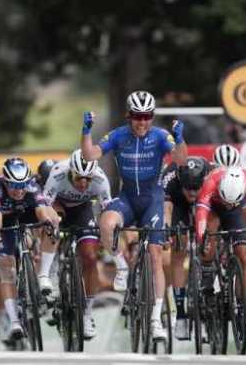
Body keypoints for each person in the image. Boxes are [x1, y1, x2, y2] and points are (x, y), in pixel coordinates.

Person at [80, 90, 187, 340]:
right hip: (127, 198)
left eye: (147, 116)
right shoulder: (118, 135)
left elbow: (181, 161)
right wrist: (86, 131)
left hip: (153, 199)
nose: (142, 122)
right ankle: (122, 268)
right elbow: (90, 156)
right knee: (105, 223)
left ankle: (156, 318)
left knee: (155, 255)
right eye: (137, 116)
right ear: (129, 116)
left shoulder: (161, 136)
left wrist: (180, 139)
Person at [0, 156, 60, 340]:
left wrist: (48, 224)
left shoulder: (33, 186)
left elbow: (42, 212)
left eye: (22, 185)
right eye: (14, 186)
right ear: (5, 181)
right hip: (5, 220)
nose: (19, 190)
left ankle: (43, 275)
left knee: (52, 221)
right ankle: (14, 322)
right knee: (6, 268)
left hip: (28, 214)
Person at [42, 149, 112, 339]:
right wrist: (51, 222)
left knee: (89, 257)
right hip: (58, 206)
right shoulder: (57, 172)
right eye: (78, 178)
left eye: (87, 179)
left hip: (83, 210)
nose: (83, 183)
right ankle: (52, 277)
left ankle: (87, 313)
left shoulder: (100, 179)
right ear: (70, 171)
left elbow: (108, 211)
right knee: (51, 228)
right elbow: (43, 206)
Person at [195, 165, 246, 338]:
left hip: (236, 211)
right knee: (208, 238)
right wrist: (202, 240)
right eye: (226, 200)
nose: (228, 204)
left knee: (243, 256)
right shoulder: (210, 182)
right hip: (213, 207)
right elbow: (201, 216)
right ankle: (207, 272)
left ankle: (242, 311)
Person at [162, 156, 210, 340]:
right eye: (188, 189)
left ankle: (206, 317)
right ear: (180, 182)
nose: (192, 193)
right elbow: (166, 209)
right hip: (177, 205)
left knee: (208, 245)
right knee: (178, 252)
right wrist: (168, 230)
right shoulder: (170, 178)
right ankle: (181, 315)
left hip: (205, 203)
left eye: (195, 189)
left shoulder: (210, 176)